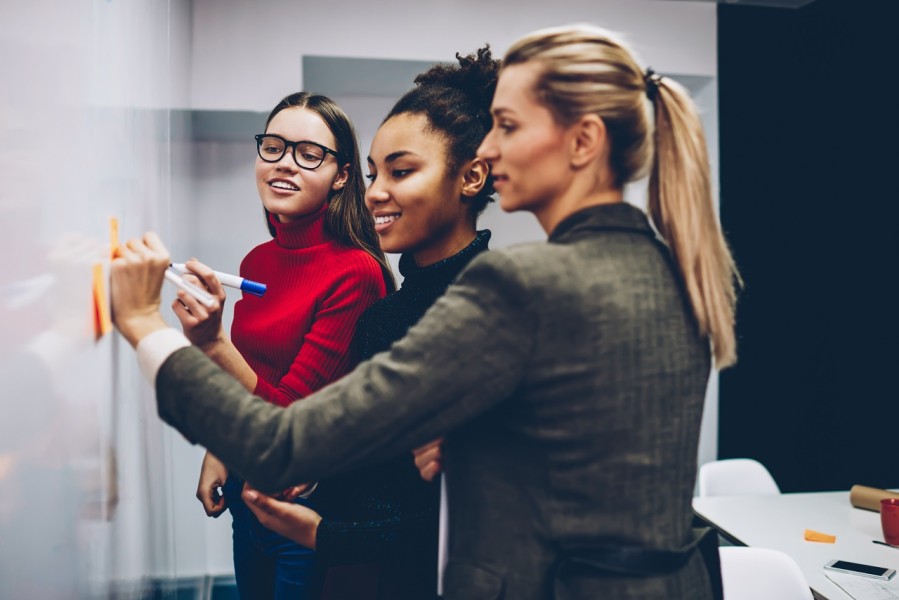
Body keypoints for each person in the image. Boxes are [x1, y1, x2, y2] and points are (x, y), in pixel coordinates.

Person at [110, 23, 739, 600]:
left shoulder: (516, 283)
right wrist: (480, 449)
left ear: (583, 141)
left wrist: (145, 325)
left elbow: (282, 444)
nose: (490, 150)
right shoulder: (675, 269)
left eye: (509, 127)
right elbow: (589, 465)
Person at [287, 47, 496, 600]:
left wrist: (326, 536)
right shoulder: (392, 310)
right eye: (375, 172)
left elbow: (467, 510)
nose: (375, 191)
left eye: (401, 171)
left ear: (471, 176)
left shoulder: (491, 307)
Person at [170, 92, 391, 600]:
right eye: (273, 146)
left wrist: (212, 343)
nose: (284, 164)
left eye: (309, 153)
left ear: (341, 175)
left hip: (309, 510)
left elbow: (289, 415)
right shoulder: (256, 263)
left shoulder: (356, 273)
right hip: (249, 493)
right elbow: (248, 378)